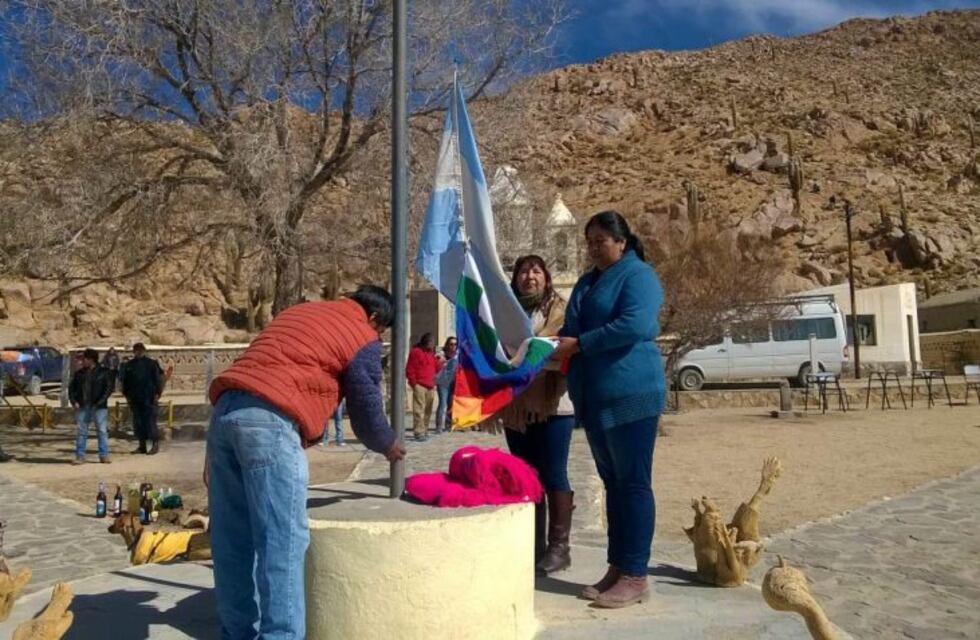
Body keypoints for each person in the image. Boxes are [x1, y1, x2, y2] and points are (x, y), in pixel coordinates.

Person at [206, 285, 405, 639]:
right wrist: (387, 444)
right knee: (281, 542)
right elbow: (365, 407)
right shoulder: (362, 334)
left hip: (225, 413)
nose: (379, 337)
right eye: (382, 331)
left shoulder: (299, 312)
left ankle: (235, 633)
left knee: (231, 538)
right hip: (271, 419)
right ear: (375, 318)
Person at [554, 210, 665, 609]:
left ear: (622, 241)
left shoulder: (639, 277)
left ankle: (637, 574)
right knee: (613, 485)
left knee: (633, 483)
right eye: (590, 241)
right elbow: (573, 327)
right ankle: (619, 566)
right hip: (597, 397)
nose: (595, 247)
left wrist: (580, 344)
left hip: (632, 392)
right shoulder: (587, 282)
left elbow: (634, 324)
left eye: (602, 240)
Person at [500, 255, 576, 575]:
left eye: (536, 270)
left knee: (553, 473)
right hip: (516, 405)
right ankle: (533, 545)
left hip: (553, 404)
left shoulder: (560, 309)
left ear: (546, 277)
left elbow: (563, 346)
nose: (529, 276)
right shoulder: (504, 312)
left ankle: (559, 547)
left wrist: (530, 353)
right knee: (526, 476)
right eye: (522, 271)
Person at [68, 348, 113, 464]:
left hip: (99, 407)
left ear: (91, 360)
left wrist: (99, 403)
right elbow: (71, 390)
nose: (82, 361)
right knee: (82, 432)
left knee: (102, 431)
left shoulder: (104, 372)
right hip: (83, 406)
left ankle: (103, 455)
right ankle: (80, 456)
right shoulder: (79, 374)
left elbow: (108, 389)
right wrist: (74, 402)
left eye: (85, 359)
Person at [120, 342, 164, 455]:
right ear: (134, 352)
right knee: (138, 422)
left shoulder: (151, 364)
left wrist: (157, 393)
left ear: (144, 351)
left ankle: (155, 445)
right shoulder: (129, 365)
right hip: (135, 398)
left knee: (150, 422)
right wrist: (127, 395)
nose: (138, 352)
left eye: (140, 350)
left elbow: (158, 380)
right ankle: (142, 445)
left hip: (149, 397)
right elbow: (125, 382)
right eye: (136, 350)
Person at [406, 332, 441, 442]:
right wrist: (414, 384)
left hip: (430, 385)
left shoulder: (431, 354)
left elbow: (437, 368)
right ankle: (418, 431)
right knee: (418, 410)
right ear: (426, 341)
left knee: (428, 410)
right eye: (432, 341)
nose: (433, 343)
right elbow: (410, 369)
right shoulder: (415, 352)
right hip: (420, 385)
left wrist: (442, 362)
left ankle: (424, 429)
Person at [434, 337, 458, 434]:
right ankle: (439, 426)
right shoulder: (441, 355)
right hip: (443, 382)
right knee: (442, 404)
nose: (453, 346)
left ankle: (449, 425)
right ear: (447, 345)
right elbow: (435, 365)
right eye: (451, 344)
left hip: (454, 383)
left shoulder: (458, 356)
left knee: (451, 404)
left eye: (455, 344)